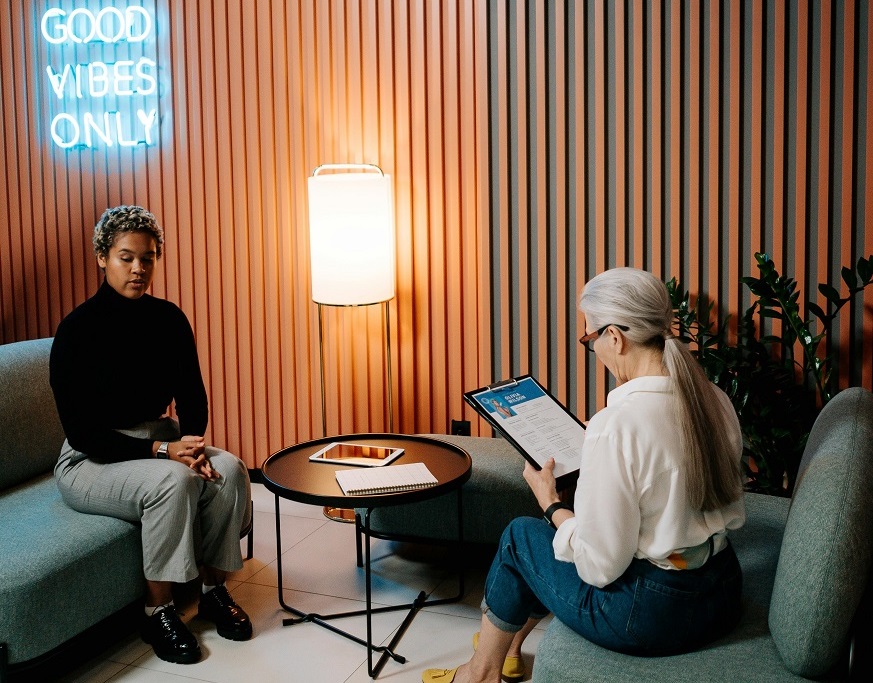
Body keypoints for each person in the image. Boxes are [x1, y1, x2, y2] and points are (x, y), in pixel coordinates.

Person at [423, 267, 746, 683]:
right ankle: (508, 650)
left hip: (655, 616)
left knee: (521, 539)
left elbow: (599, 569)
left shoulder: (616, 425)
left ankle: (478, 674)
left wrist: (552, 504)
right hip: (720, 593)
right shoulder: (713, 398)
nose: (593, 348)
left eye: (590, 337)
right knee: (548, 541)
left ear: (615, 336)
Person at [50, 206, 253, 665]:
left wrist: (196, 446)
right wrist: (164, 451)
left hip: (158, 439)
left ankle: (212, 591)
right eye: (126, 257)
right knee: (174, 481)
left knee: (229, 470)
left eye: (148, 258)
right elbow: (83, 433)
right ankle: (157, 610)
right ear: (102, 257)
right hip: (91, 459)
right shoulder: (76, 331)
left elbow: (192, 397)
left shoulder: (169, 319)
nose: (139, 269)